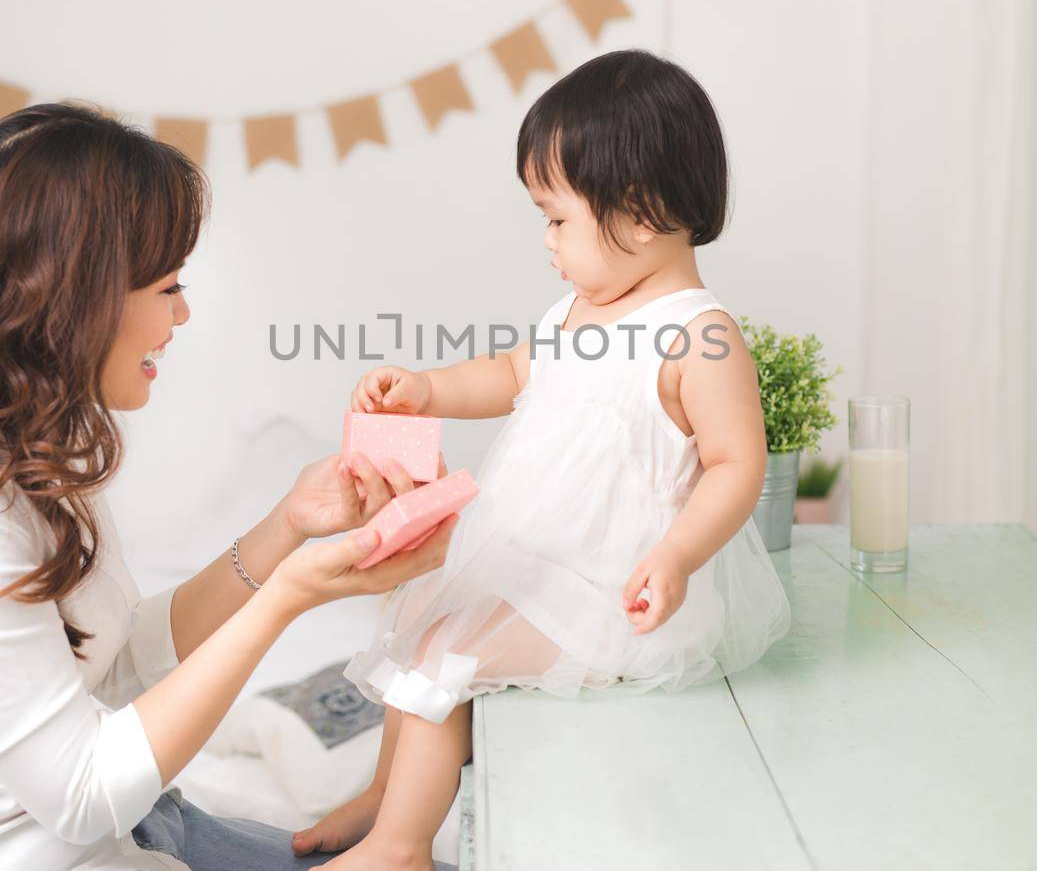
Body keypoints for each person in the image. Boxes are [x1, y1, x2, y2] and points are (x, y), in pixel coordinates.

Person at [0, 103, 460, 870]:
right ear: (76, 301)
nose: (182, 313)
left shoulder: (22, 449)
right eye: (166, 287)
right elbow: (84, 789)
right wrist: (292, 595)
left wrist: (288, 524)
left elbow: (117, 662)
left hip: (104, 834)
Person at [294, 50, 792, 869]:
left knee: (444, 655)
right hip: (548, 565)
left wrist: (675, 555)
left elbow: (737, 464)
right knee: (425, 613)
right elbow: (511, 374)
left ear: (638, 211)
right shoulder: (575, 311)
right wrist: (426, 388)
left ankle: (402, 847)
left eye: (557, 219)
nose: (547, 241)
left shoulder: (698, 336)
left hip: (616, 595)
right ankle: (388, 797)